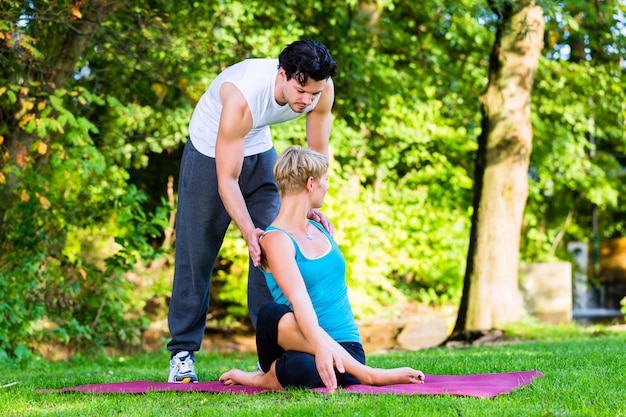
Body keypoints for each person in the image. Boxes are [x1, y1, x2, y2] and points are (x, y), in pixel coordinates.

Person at [167, 40, 338, 383]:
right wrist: (248, 233)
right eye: (301, 90)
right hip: (209, 152)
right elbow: (227, 180)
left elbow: (317, 156)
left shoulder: (322, 89)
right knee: (196, 253)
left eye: (314, 93)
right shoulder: (241, 97)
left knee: (273, 248)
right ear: (283, 74)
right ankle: (182, 354)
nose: (307, 100)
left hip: (258, 147)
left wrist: (309, 207)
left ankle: (270, 355)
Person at [219, 146, 425, 392]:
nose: (327, 186)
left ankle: (285, 374)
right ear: (310, 183)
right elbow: (299, 299)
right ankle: (368, 375)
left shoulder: (321, 228)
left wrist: (328, 350)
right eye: (325, 180)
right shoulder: (275, 239)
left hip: (347, 349)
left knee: (303, 368)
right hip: (299, 342)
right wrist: (320, 347)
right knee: (271, 313)